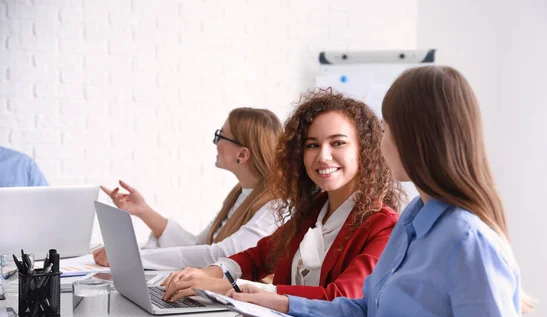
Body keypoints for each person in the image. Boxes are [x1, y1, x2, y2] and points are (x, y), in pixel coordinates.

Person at [226, 66, 532, 317]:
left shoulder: (469, 242)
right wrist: (283, 304)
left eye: (386, 130)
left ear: (417, 138)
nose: (380, 143)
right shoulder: (414, 219)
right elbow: (367, 308)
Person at [161, 90, 402, 301]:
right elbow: (256, 257)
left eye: (338, 143)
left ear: (366, 150)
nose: (323, 156)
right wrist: (209, 273)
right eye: (312, 145)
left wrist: (231, 288)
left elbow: (339, 296)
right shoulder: (315, 211)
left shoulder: (383, 226)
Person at [93, 108, 285, 270]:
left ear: (242, 155)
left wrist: (129, 258)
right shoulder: (240, 194)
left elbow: (223, 254)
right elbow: (199, 246)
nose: (216, 143)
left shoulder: (276, 205)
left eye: (220, 136)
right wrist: (144, 211)